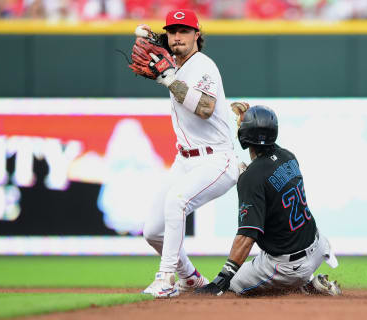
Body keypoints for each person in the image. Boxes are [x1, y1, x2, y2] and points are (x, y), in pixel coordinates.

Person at [139, 9, 240, 298]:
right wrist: (149, 36)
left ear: (197, 35)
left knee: (177, 200)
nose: (177, 36)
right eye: (172, 31)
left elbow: (206, 109)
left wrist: (170, 79)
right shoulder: (176, 66)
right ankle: (190, 278)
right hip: (185, 160)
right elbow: (154, 45)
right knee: (153, 231)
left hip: (216, 159)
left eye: (184, 31)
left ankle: (166, 278)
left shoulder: (203, 65)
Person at [195, 105, 342, 296]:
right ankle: (308, 282)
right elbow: (267, 170)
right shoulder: (288, 156)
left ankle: (304, 284)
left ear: (244, 135)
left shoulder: (252, 177)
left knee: (233, 287)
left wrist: (222, 280)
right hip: (318, 245)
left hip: (290, 266)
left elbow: (247, 236)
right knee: (268, 254)